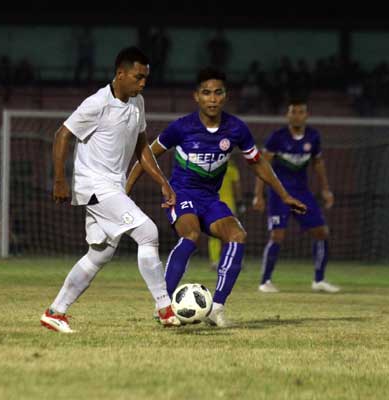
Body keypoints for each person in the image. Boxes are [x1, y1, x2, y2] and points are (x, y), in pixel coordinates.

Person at [126, 67, 307, 327]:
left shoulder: (236, 129)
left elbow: (257, 163)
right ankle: (163, 305)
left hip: (211, 199)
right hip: (182, 195)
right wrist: (125, 192)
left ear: (225, 96)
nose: (212, 98)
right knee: (191, 235)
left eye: (217, 93)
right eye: (206, 93)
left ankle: (216, 308)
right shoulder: (181, 127)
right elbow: (146, 156)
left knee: (238, 236)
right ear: (196, 97)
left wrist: (284, 194)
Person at [41, 46, 181, 333]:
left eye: (145, 78)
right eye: (138, 77)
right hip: (94, 186)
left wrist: (163, 182)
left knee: (101, 253)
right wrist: (59, 179)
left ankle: (55, 312)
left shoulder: (137, 102)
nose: (143, 83)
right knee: (148, 232)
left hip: (112, 186)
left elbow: (143, 148)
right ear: (120, 73)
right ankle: (164, 307)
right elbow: (62, 134)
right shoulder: (97, 103)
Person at [252, 98, 340, 294]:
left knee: (321, 232)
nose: (297, 115)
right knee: (277, 235)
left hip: (302, 194)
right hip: (279, 194)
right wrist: (258, 194)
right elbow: (262, 165)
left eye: (301, 112)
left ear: (306, 115)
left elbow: (318, 163)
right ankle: (265, 281)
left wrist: (326, 189)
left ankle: (319, 280)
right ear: (288, 115)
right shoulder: (277, 137)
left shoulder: (313, 137)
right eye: (293, 112)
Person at [208, 156, 243, 270]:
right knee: (233, 233)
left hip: (212, 204)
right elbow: (237, 187)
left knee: (214, 234)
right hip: (228, 205)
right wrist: (240, 203)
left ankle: (215, 261)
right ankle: (232, 260)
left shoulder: (209, 168)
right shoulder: (231, 169)